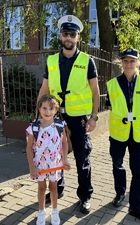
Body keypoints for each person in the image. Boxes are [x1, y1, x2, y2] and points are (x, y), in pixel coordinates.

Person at [38, 15, 100, 214]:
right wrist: (39, 116)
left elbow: (95, 91)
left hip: (79, 117)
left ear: (78, 37)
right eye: (65, 33)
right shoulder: (51, 60)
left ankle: (85, 196)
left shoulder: (87, 61)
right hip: (55, 117)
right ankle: (59, 189)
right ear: (60, 35)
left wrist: (93, 117)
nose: (68, 38)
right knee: (55, 155)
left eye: (72, 34)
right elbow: (44, 88)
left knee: (82, 158)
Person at [106, 48, 140, 224]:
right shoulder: (112, 84)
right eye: (125, 61)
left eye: (132, 61)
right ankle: (119, 193)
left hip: (138, 135)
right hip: (118, 135)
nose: (128, 64)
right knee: (117, 166)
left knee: (139, 172)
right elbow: (110, 107)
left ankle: (136, 207)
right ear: (121, 63)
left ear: (137, 64)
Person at [26, 94, 71, 225]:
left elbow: (65, 142)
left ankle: (55, 211)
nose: (47, 112)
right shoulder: (33, 128)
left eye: (51, 109)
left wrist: (65, 159)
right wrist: (32, 167)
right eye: (44, 108)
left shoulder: (59, 125)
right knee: (41, 188)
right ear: (39, 109)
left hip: (55, 164)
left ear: (56, 110)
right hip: (39, 165)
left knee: (53, 188)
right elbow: (29, 148)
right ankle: (41, 211)